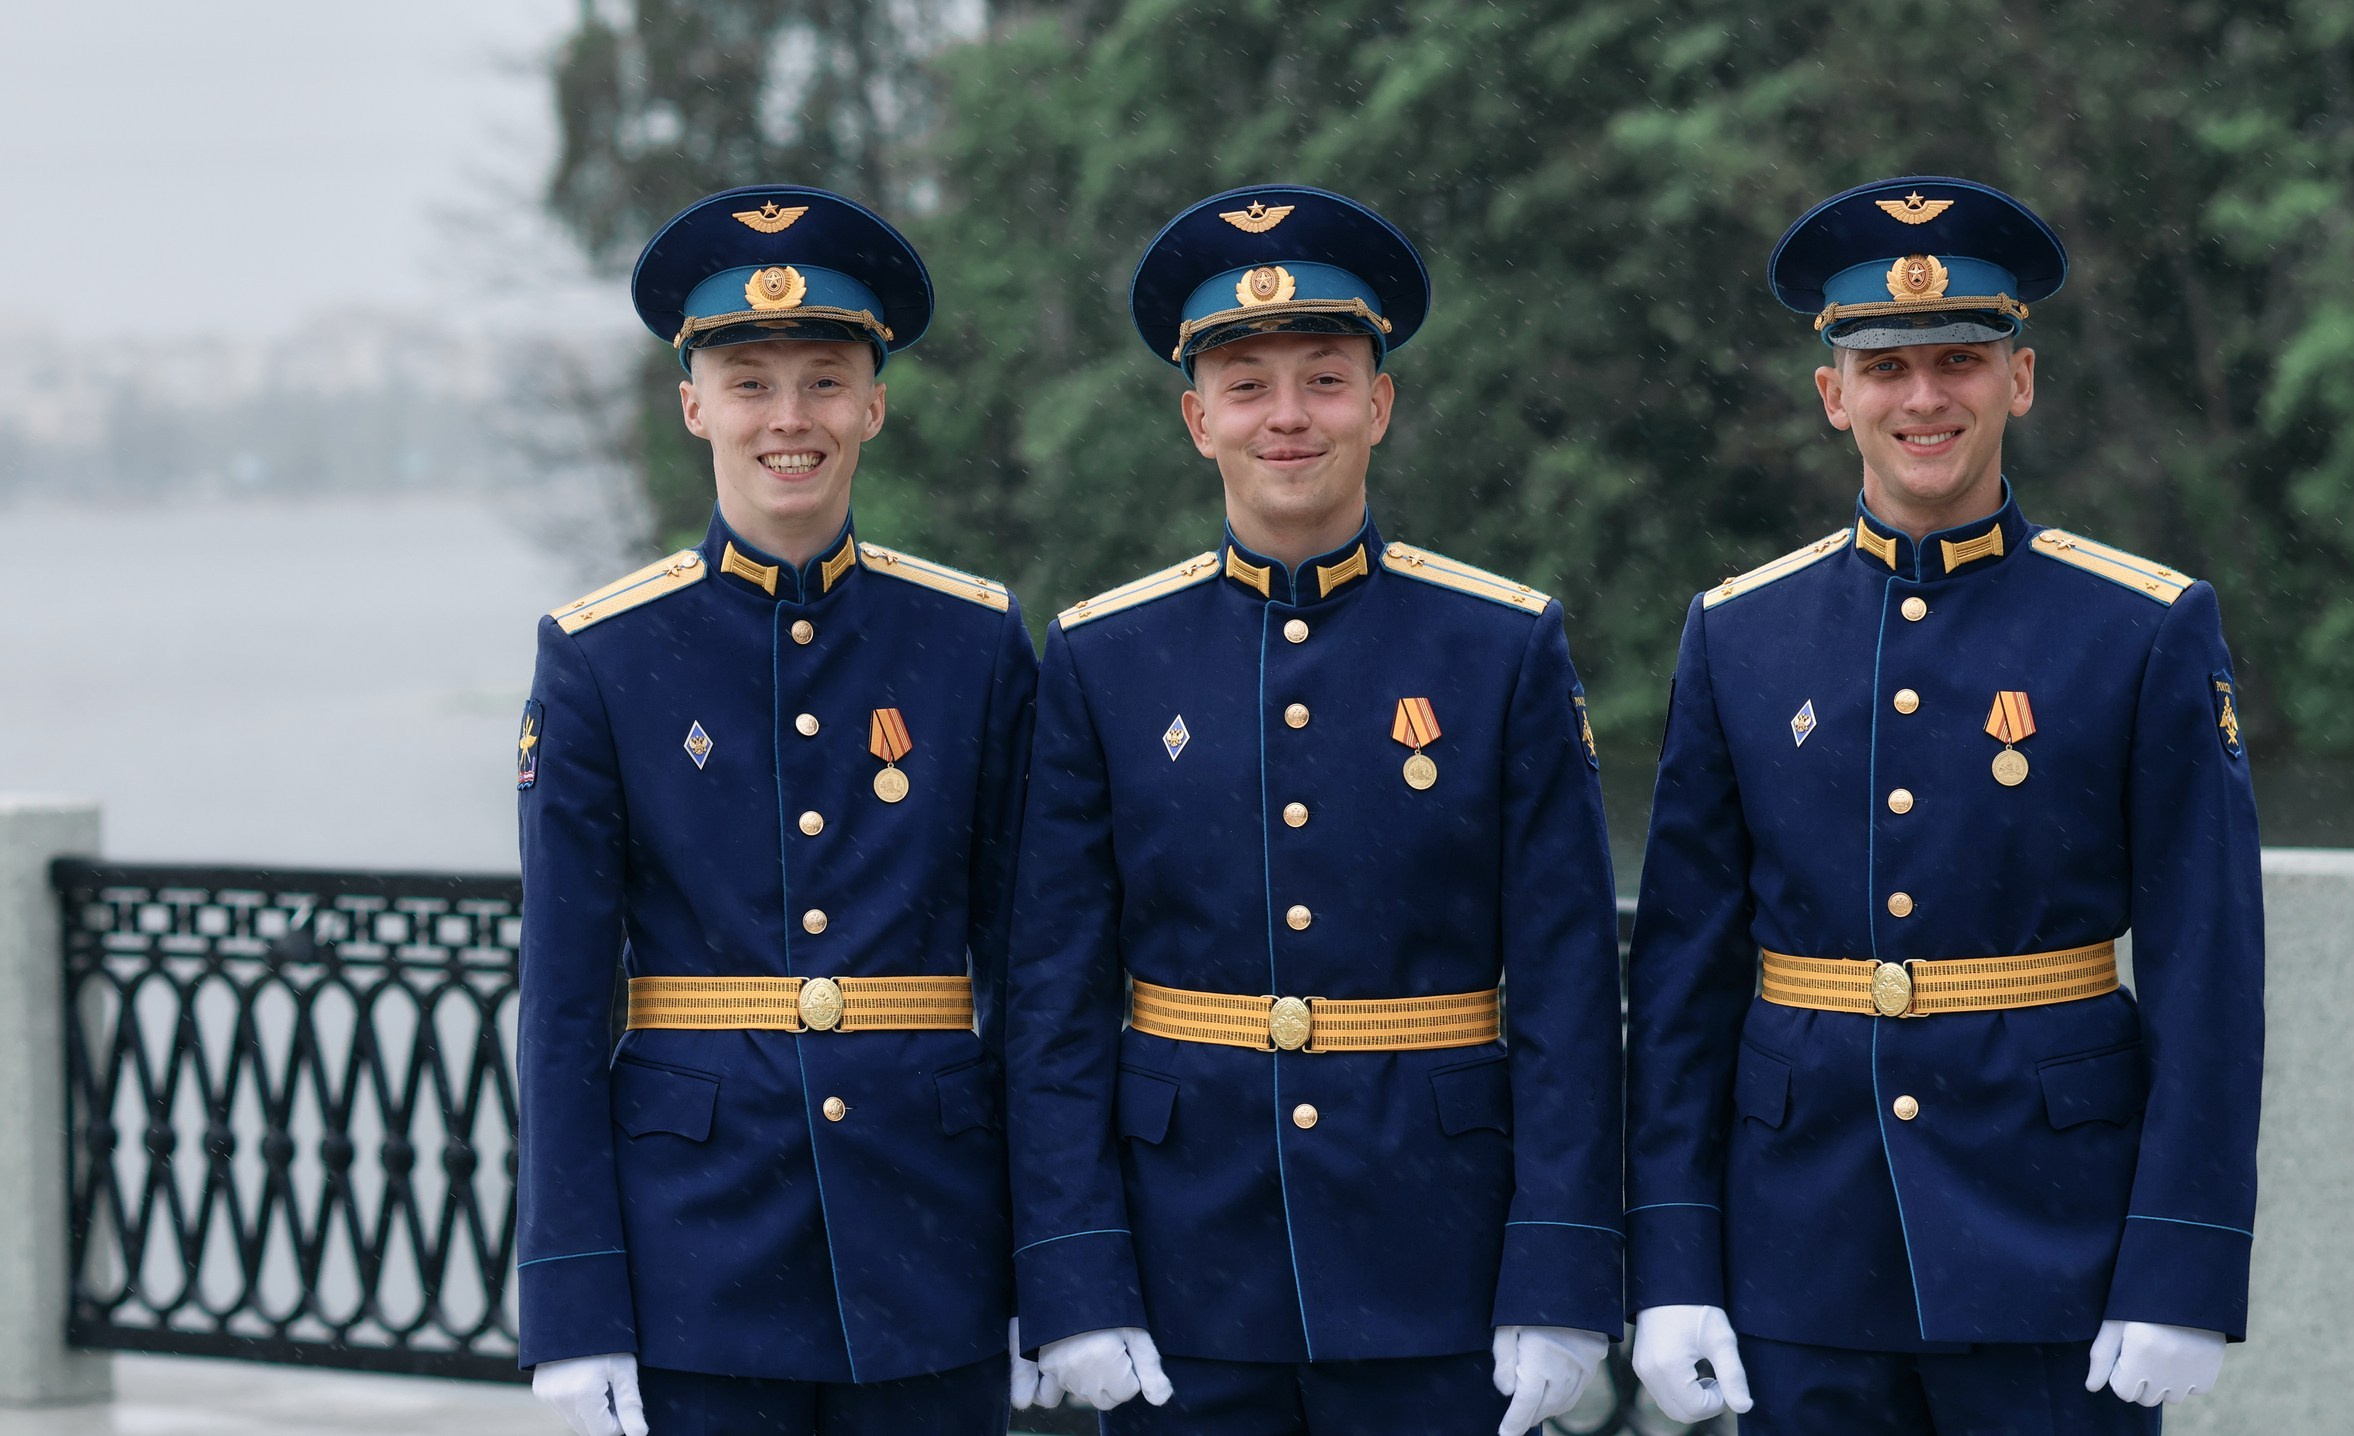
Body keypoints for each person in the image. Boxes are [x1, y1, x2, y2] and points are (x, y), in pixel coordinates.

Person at [1623, 175, 2265, 1433]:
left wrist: (2183, 1261)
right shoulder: (1739, 634)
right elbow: (1685, 978)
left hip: (2054, 1244)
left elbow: (2208, 969)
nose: (1925, 397)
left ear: (2018, 379)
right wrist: (1673, 1265)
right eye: (1887, 366)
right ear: (1833, 395)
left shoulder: (2140, 626)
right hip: (1796, 1243)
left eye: (1960, 359)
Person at [1003, 185, 1624, 1436]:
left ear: (1379, 404)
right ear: (1195, 419)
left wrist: (1561, 1268)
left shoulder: (1500, 644)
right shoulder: (1103, 655)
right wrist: (1070, 1268)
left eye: (1325, 378)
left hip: (1438, 1260)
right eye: (1245, 382)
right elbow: (1054, 997)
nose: (1287, 416)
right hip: (1183, 1270)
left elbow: (1565, 983)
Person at [513, 185, 1042, 1436]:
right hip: (694, 1247)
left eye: (823, 378)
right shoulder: (600, 654)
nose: (787, 418)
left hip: (935, 1236)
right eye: (749, 381)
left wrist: (1054, 1259)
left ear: (874, 402)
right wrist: (572, 1300)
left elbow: (1037, 979)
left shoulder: (971, 641)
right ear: (693, 403)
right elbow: (562, 1003)